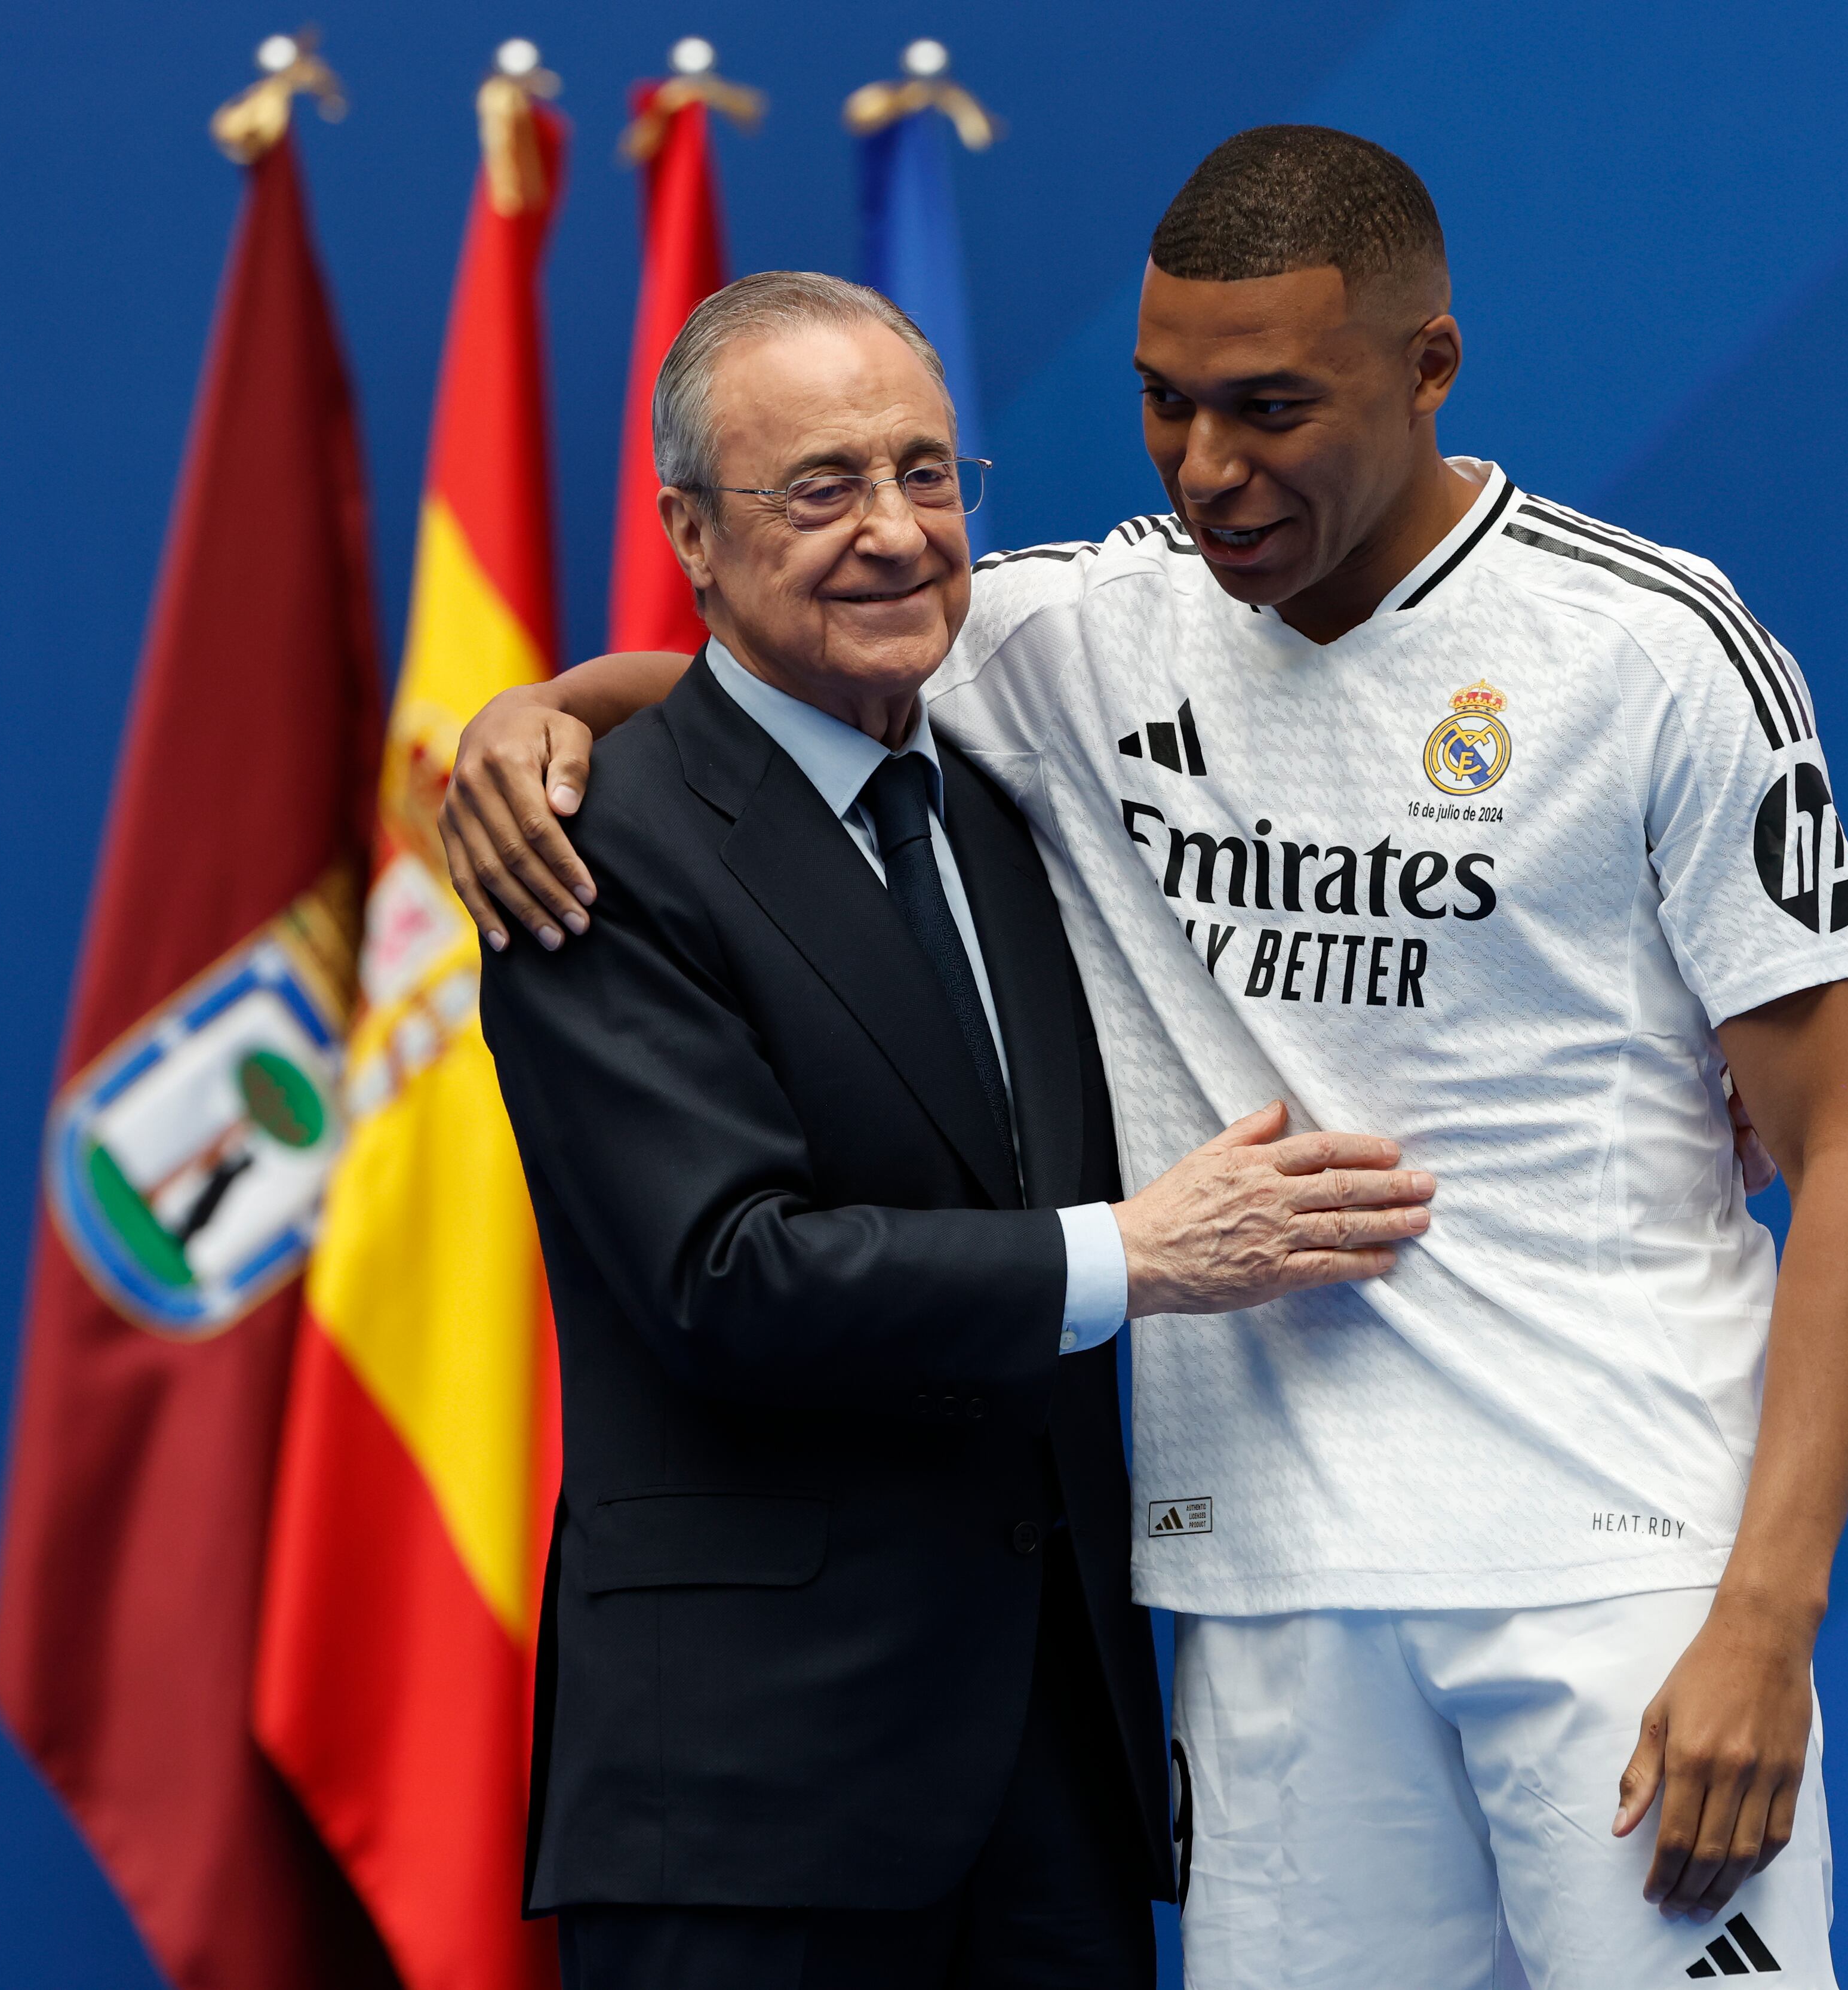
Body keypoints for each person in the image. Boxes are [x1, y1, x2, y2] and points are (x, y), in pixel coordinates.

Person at [453, 129, 1848, 1990]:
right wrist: (535, 715)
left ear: (1429, 365)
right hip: (1265, 1591)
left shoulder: (1647, 648)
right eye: (1164, 406)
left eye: (1271, 409)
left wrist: (1767, 1617)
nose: (1210, 471)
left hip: (1613, 1570)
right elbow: (775, 680)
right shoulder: (1081, 632)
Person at [476, 269, 1438, 1990]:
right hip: (755, 1805)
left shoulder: (1010, 803)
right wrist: (1130, 1258)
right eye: (823, 487)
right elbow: (723, 1279)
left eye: (927, 473)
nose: (897, 532)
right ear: (691, 531)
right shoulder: (594, 845)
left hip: (1058, 1787)